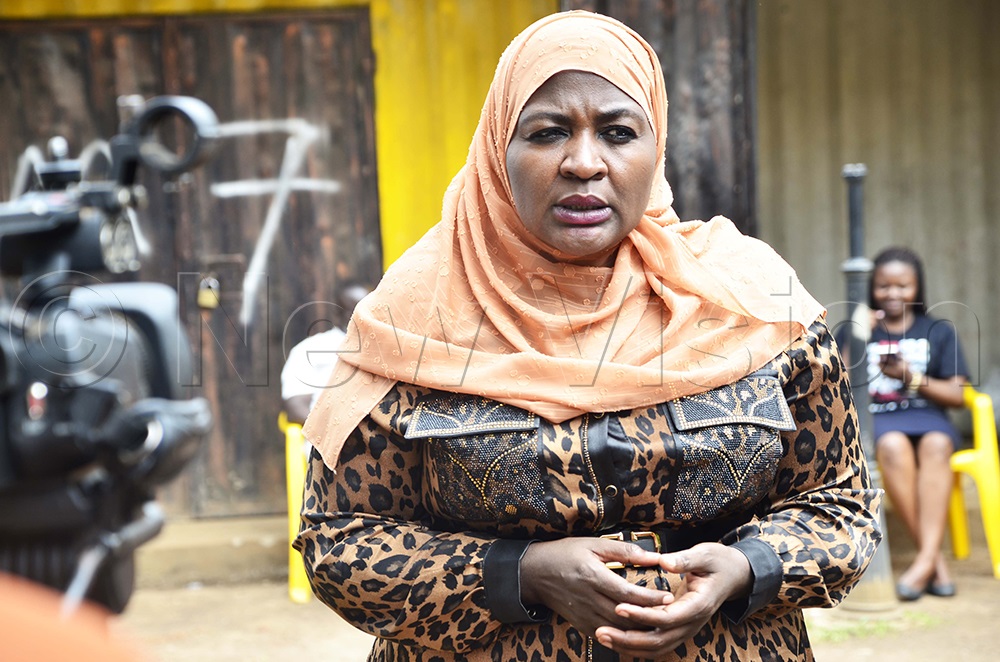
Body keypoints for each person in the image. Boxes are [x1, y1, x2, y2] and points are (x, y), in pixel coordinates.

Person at [295, 11, 882, 661]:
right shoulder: (409, 319)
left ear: (653, 148)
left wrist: (746, 567)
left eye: (617, 131)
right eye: (547, 132)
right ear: (499, 148)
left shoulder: (754, 301)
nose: (583, 162)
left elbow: (842, 506)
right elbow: (339, 539)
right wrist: (520, 573)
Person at [864, 246, 968, 601]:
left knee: (937, 444)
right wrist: (856, 334)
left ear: (917, 288)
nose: (893, 294)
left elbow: (958, 395)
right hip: (881, 418)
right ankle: (934, 560)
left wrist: (910, 376)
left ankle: (924, 560)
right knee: (892, 445)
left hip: (928, 414)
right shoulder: (864, 329)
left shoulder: (937, 330)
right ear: (872, 288)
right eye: (883, 286)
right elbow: (838, 381)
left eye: (902, 286)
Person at [280, 280, 370, 424]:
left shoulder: (384, 348)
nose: (365, 317)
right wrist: (335, 429)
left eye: (370, 310)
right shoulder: (310, 349)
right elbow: (295, 406)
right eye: (355, 310)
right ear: (338, 312)